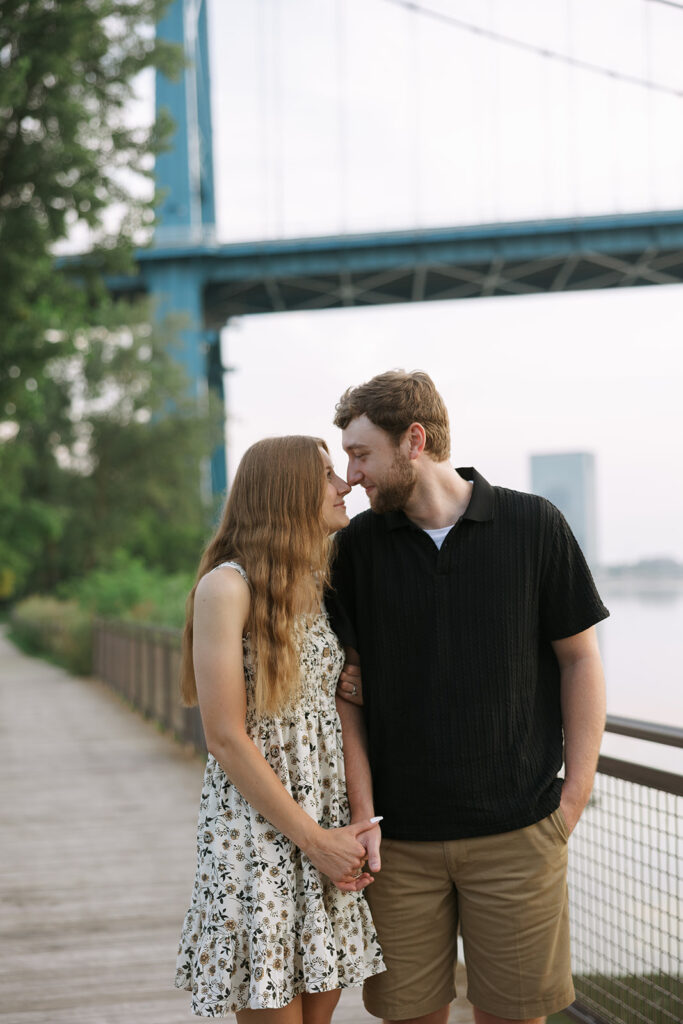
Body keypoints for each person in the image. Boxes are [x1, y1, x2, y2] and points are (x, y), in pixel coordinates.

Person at [328, 371, 609, 1024]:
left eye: (361, 453)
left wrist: (573, 797)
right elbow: (347, 690)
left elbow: (579, 660)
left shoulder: (532, 524)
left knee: (513, 1017)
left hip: (518, 833)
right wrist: (366, 818)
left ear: (413, 441)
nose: (350, 474)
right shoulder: (355, 550)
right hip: (397, 848)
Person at [174, 436, 385, 1021]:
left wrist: (353, 825)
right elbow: (224, 736)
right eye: (325, 475)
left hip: (325, 823)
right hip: (258, 836)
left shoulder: (317, 587)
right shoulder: (228, 586)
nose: (344, 485)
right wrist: (314, 842)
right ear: (286, 491)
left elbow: (338, 708)